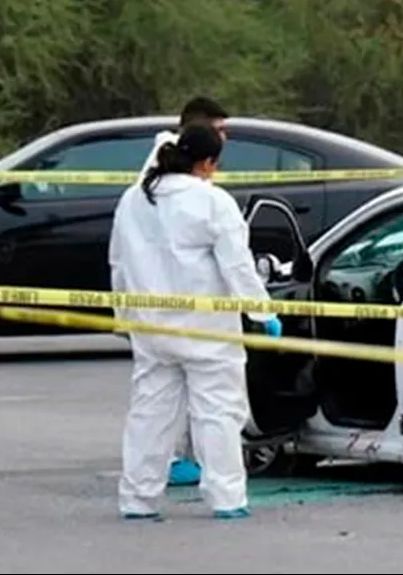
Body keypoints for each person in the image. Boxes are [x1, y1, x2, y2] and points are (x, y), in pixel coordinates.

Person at [109, 121, 282, 521]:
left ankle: (137, 500)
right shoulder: (212, 201)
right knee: (218, 412)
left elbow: (117, 262)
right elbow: (237, 265)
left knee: (150, 414)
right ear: (207, 163)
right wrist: (263, 312)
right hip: (206, 329)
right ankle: (227, 499)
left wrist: (123, 317)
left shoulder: (134, 200)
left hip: (151, 328)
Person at [139, 97, 230, 489]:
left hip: (159, 312)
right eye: (220, 130)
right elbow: (235, 261)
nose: (225, 138)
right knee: (207, 404)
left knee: (159, 402)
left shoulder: (153, 188)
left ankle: (142, 491)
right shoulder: (201, 196)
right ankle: (215, 486)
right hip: (189, 314)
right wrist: (261, 312)